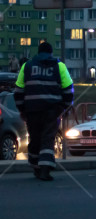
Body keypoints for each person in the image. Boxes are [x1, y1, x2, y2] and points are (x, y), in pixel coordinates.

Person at [13, 42, 74, 181]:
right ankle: (45, 170)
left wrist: (22, 109)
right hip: (52, 110)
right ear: (51, 52)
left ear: (38, 52)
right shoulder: (59, 66)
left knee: (34, 138)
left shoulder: (27, 66)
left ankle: (36, 167)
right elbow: (68, 89)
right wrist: (63, 107)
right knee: (47, 139)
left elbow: (18, 91)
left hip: (32, 110)